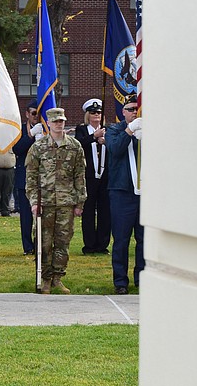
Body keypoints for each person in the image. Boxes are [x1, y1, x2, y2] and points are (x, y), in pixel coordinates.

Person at [25, 107, 86, 294]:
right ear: (48, 123)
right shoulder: (38, 147)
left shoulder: (75, 146)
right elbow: (31, 177)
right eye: (56, 121)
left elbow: (80, 176)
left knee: (63, 242)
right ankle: (45, 278)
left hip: (67, 202)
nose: (59, 124)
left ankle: (58, 278)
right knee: (43, 242)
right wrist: (34, 201)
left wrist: (79, 202)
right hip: (46, 202)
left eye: (62, 121)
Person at [107, 99, 144, 294]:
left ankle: (142, 278)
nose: (135, 113)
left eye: (138, 109)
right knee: (121, 239)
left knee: (144, 239)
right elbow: (115, 149)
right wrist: (129, 131)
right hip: (122, 193)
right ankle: (120, 281)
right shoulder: (114, 130)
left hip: (144, 193)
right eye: (131, 109)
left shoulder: (146, 130)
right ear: (123, 112)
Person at [74, 98, 111, 254]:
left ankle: (102, 245)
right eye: (93, 112)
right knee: (88, 212)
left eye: (99, 112)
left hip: (104, 176)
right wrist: (93, 137)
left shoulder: (108, 129)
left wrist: (105, 141)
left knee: (105, 211)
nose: (96, 115)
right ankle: (89, 245)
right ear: (87, 115)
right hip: (89, 177)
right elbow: (78, 144)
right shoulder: (82, 129)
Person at [13, 101, 41, 255]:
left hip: (44, 178)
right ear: (27, 114)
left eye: (38, 113)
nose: (36, 116)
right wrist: (30, 135)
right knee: (26, 215)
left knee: (42, 214)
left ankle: (40, 245)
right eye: (33, 113)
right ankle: (28, 246)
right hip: (24, 178)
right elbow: (16, 149)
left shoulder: (46, 130)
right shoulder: (21, 130)